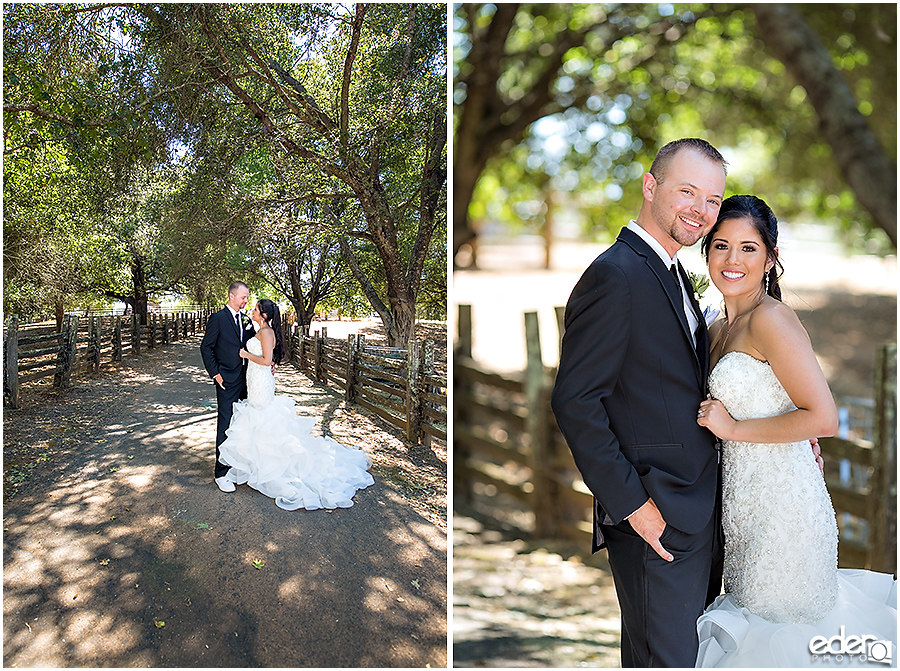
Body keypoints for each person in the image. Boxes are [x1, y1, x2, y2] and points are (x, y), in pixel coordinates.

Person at [694, 195, 896, 667]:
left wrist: (735, 428)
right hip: (744, 511)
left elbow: (822, 416)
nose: (732, 259)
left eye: (748, 248)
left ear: (771, 257)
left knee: (783, 636)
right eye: (721, 245)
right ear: (706, 252)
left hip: (785, 512)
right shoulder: (718, 326)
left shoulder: (770, 319)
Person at [551, 138, 729, 667]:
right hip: (656, 516)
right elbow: (576, 401)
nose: (701, 210)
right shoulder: (617, 275)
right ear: (651, 187)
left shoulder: (671, 272)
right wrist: (635, 508)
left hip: (695, 510)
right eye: (688, 191)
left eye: (714, 200)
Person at [216, 299, 374, 510]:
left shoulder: (266, 332)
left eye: (255, 309)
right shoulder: (260, 330)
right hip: (255, 380)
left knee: (261, 418)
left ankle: (270, 466)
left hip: (261, 382)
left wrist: (244, 354)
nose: (252, 311)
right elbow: (267, 359)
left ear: (263, 315)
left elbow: (265, 360)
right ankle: (257, 465)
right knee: (256, 419)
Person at [200, 281, 255, 492]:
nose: (246, 301)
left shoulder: (246, 320)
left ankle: (237, 467)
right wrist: (216, 374)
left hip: (246, 379)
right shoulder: (218, 318)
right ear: (232, 296)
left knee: (242, 424)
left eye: (247, 297)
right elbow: (206, 348)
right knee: (225, 424)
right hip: (226, 380)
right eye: (243, 297)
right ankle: (220, 472)